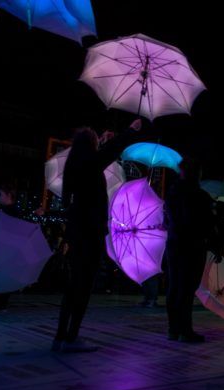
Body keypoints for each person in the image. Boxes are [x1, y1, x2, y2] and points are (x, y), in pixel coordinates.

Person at [53, 119, 144, 352]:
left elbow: (101, 153)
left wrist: (101, 141)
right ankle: (71, 338)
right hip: (89, 233)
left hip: (76, 232)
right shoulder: (90, 163)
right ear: (91, 146)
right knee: (83, 286)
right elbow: (111, 152)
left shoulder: (74, 164)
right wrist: (130, 130)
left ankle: (61, 336)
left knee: (74, 286)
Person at [164, 157, 224, 343]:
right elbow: (209, 224)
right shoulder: (200, 196)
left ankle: (174, 329)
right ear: (197, 173)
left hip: (174, 245)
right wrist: (217, 246)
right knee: (188, 288)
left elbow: (168, 220)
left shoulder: (172, 193)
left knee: (174, 287)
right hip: (193, 245)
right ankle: (185, 330)